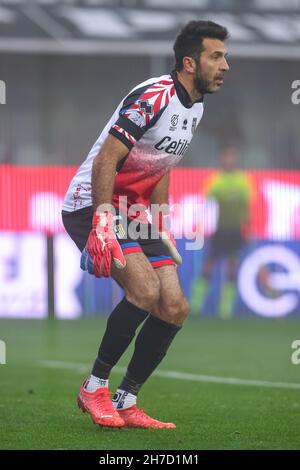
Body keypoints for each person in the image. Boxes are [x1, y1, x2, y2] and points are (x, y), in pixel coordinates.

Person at [62, 20, 229, 429]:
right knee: (144, 289)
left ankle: (126, 399)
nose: (226, 65)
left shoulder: (197, 106)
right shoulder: (153, 95)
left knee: (174, 307)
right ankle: (93, 386)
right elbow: (106, 158)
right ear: (189, 63)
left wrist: (161, 221)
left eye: (225, 56)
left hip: (137, 212)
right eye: (217, 56)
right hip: (92, 204)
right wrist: (102, 218)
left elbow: (161, 165)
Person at [194, 147, 251, 318]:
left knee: (232, 269)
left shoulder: (243, 181)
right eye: (226, 158)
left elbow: (247, 208)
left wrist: (249, 228)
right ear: (222, 160)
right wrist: (202, 226)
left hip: (236, 233)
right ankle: (196, 306)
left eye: (231, 158)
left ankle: (225, 311)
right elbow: (206, 206)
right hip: (219, 232)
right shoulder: (216, 180)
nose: (229, 161)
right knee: (207, 267)